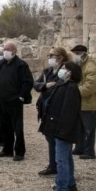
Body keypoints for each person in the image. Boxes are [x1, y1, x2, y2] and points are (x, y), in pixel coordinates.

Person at [39, 61, 83, 191]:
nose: (62, 70)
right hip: (58, 127)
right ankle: (70, 183)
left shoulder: (71, 88)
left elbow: (69, 112)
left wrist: (62, 132)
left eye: (65, 68)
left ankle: (62, 189)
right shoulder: (62, 85)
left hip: (63, 130)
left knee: (61, 159)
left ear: (70, 73)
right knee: (66, 157)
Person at [0, 41, 34, 161]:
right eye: (4, 49)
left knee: (17, 127)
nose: (5, 52)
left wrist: (21, 95)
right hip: (1, 99)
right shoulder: (1, 64)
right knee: (5, 125)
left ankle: (19, 151)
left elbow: (28, 82)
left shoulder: (21, 65)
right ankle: (7, 149)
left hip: (14, 100)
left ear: (14, 51)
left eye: (7, 49)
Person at [33, 47, 68, 177]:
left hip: (55, 108)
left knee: (57, 140)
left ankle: (60, 168)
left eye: (52, 55)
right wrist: (45, 86)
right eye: (49, 55)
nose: (50, 58)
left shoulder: (64, 72)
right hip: (44, 108)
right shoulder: (47, 71)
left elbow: (60, 87)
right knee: (49, 137)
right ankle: (53, 165)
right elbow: (36, 84)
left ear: (61, 57)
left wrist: (48, 87)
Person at [70, 45, 96, 160]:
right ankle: (80, 147)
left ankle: (89, 151)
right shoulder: (80, 66)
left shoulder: (91, 67)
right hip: (80, 102)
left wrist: (74, 92)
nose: (75, 55)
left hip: (88, 102)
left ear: (83, 53)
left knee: (89, 129)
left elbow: (90, 86)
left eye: (77, 53)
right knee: (79, 127)